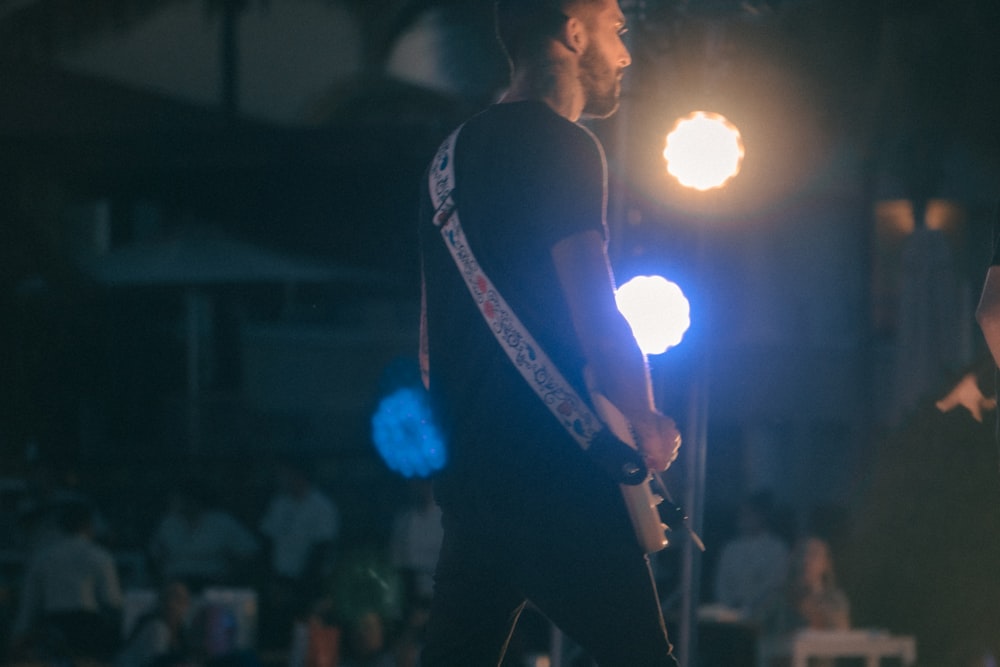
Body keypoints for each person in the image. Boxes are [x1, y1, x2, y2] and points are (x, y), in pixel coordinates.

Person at [417, 1, 683, 664]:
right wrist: (645, 414)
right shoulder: (563, 145)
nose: (625, 53)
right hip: (558, 476)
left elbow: (429, 348)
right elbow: (595, 305)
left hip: (474, 485)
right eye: (617, 30)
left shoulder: (445, 163)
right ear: (573, 31)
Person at [10, 500, 123, 662]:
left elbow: (30, 605)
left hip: (53, 628)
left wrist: (18, 635)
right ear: (88, 525)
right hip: (89, 628)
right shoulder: (99, 556)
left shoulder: (44, 557)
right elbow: (112, 600)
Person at [149, 482, 259, 592]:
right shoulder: (167, 523)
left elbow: (249, 551)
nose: (174, 503)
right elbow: (156, 554)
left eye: (178, 499)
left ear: (193, 500)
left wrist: (232, 575)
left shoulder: (222, 522)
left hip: (214, 581)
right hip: (175, 581)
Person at [713, 491, 790, 632]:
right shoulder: (730, 549)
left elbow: (774, 583)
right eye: (741, 514)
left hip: (763, 619)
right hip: (730, 618)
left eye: (748, 514)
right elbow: (722, 582)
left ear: (761, 516)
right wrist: (730, 605)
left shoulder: (776, 548)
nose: (743, 519)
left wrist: (752, 605)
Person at [116, 580, 192, 667]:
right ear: (161, 601)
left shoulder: (182, 632)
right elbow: (154, 662)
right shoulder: (156, 629)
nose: (172, 604)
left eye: (179, 599)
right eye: (169, 597)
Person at [781, 537, 849, 632]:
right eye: (802, 554)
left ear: (825, 564)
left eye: (814, 554)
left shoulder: (835, 600)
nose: (806, 560)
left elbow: (841, 638)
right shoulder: (782, 602)